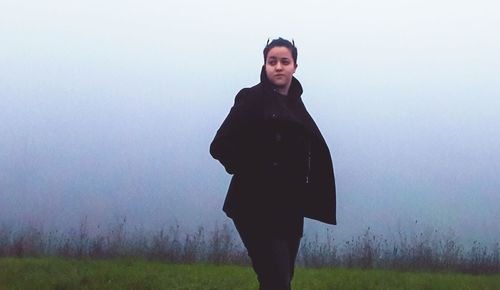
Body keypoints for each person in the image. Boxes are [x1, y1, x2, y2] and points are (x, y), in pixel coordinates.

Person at [210, 37, 336, 290]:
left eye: (284, 62)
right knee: (277, 280)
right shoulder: (252, 98)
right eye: (272, 61)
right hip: (253, 205)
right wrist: (252, 167)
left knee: (280, 278)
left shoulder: (297, 105)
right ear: (265, 65)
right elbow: (220, 145)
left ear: (294, 67)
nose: (278, 67)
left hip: (289, 209)